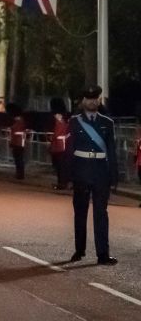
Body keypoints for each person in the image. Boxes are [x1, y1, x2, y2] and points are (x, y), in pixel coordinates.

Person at [66, 86, 118, 266]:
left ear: (98, 100)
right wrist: (68, 175)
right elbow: (69, 149)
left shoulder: (107, 123)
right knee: (80, 213)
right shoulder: (74, 122)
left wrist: (114, 175)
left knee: (101, 214)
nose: (92, 101)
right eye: (88, 99)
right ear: (82, 102)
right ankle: (79, 250)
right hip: (80, 172)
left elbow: (111, 150)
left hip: (101, 173)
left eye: (95, 98)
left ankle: (103, 254)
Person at [49, 98, 70, 190]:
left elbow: (57, 134)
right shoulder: (61, 122)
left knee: (61, 166)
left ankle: (62, 183)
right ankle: (61, 182)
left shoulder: (62, 123)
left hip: (61, 147)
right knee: (59, 166)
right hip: (57, 146)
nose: (55, 116)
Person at [8, 105, 26, 180]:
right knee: (18, 159)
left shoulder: (19, 123)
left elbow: (16, 134)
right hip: (18, 142)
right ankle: (19, 174)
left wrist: (12, 142)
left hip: (18, 143)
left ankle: (20, 175)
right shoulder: (19, 122)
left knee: (19, 159)